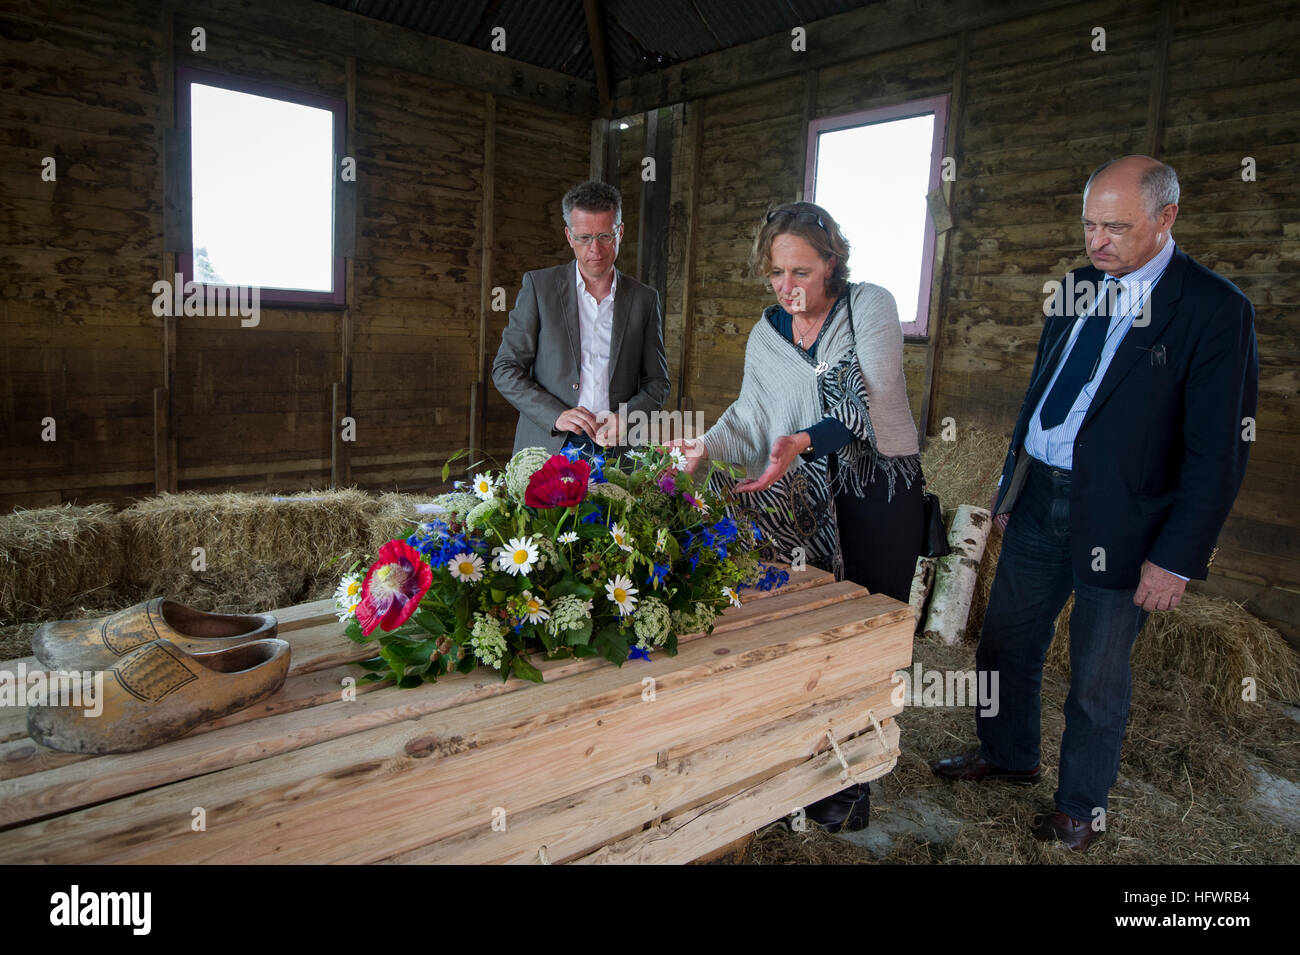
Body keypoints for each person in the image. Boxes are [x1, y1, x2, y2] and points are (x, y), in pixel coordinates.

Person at [931, 156, 1259, 852]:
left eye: (1116, 226)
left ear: (1166, 218)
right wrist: (1011, 492)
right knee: (1006, 641)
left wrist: (1175, 558)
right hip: (1041, 495)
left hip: (1126, 518)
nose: (1098, 240)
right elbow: (1037, 397)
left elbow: (1218, 452)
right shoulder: (1076, 288)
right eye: (1089, 223)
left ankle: (1080, 805)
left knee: (1097, 674)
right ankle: (1008, 752)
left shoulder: (1212, 307)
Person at [672, 200, 925, 832]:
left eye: (802, 273)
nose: (789, 288)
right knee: (804, 636)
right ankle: (798, 771)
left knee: (864, 633)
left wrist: (803, 438)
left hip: (875, 491)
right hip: (797, 499)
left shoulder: (869, 305)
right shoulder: (767, 331)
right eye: (777, 274)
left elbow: (877, 384)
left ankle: (852, 785)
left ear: (832, 263)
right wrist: (705, 450)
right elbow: (753, 413)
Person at [493, 180, 670, 455]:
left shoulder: (644, 299)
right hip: (547, 446)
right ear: (568, 236)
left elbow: (658, 382)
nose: (594, 250)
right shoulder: (539, 288)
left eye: (605, 236)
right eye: (584, 237)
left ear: (620, 232)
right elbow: (505, 368)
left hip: (617, 451)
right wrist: (555, 414)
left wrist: (627, 417)